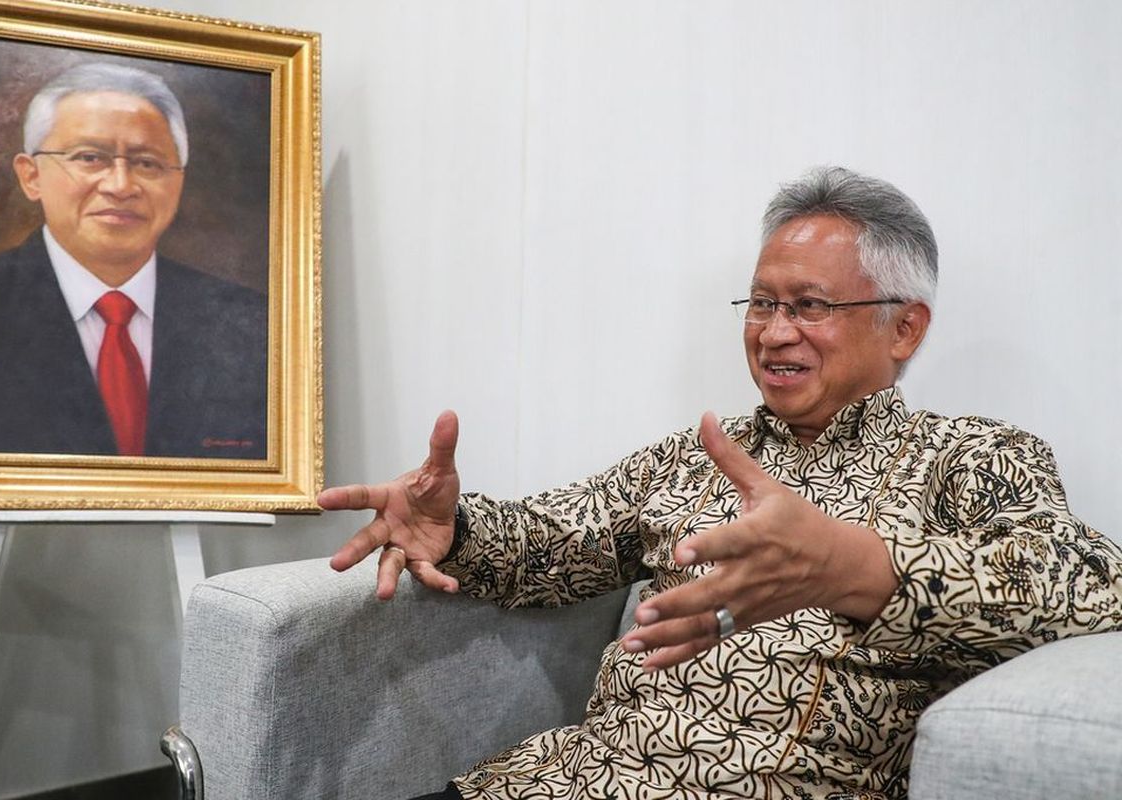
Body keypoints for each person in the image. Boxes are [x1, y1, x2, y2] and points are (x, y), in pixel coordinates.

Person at [318, 166, 1122, 799]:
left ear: (904, 326)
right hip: (559, 781)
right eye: (762, 303)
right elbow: (558, 540)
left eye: (809, 306)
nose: (774, 332)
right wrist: (453, 527)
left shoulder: (970, 456)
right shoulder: (702, 452)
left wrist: (855, 568)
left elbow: (1091, 587)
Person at [0, 62, 267, 459]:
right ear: (31, 176)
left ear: (178, 181)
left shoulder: (253, 325)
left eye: (147, 163)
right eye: (90, 157)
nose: (120, 186)